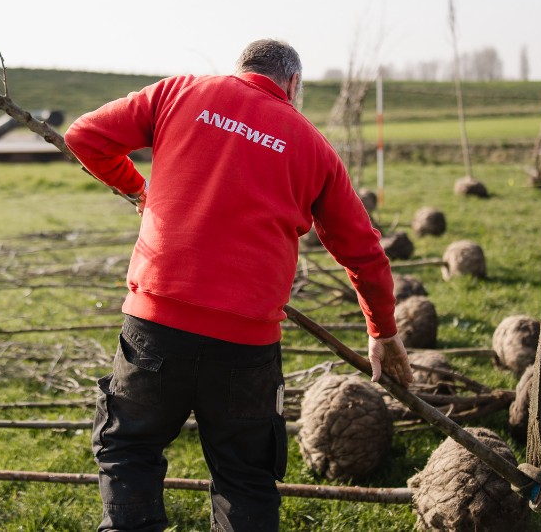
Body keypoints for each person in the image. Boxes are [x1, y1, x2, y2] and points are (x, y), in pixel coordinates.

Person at [63, 38, 413, 532]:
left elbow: (84, 137)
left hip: (155, 324)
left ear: (241, 69)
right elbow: (364, 252)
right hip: (246, 347)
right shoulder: (313, 146)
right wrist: (382, 332)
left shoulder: (179, 93)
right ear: (293, 84)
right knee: (245, 477)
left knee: (130, 451)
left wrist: (138, 189)